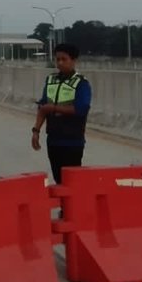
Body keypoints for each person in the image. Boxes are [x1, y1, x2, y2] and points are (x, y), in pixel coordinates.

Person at [30, 44, 91, 184]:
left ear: (73, 60)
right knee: (58, 180)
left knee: (72, 183)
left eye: (64, 59)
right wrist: (36, 131)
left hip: (72, 142)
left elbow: (81, 109)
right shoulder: (50, 80)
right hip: (53, 141)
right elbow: (42, 108)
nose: (60, 63)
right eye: (57, 59)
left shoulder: (81, 83)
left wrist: (53, 108)